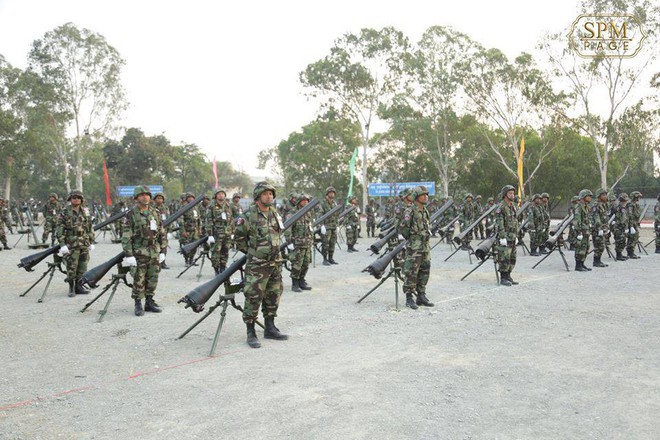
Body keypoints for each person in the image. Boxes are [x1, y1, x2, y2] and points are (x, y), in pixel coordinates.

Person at [234, 181, 287, 348]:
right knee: (253, 297)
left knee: (273, 295)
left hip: (275, 263)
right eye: (265, 193)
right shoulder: (248, 216)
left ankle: (270, 327)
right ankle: (251, 332)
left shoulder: (274, 213)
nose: (269, 196)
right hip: (257, 265)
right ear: (258, 196)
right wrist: (256, 253)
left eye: (271, 193)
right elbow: (240, 240)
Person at [121, 186, 167, 316]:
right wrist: (129, 254)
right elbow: (126, 236)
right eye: (141, 195)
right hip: (139, 251)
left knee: (153, 277)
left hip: (154, 251)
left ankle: (149, 301)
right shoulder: (130, 214)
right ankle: (138, 304)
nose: (145, 197)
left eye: (147, 194)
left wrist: (163, 250)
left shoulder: (155, 212)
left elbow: (162, 232)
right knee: (139, 278)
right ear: (136, 198)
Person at [399, 186, 434, 309]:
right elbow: (403, 228)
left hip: (425, 245)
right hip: (415, 246)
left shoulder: (425, 211)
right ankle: (409, 297)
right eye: (422, 195)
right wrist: (413, 238)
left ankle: (421, 295)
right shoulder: (410, 211)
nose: (425, 197)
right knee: (412, 271)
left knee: (425, 269)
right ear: (416, 197)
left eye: (426, 195)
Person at [56, 190, 94, 297]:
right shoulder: (64, 212)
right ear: (70, 199)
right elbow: (59, 229)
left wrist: (91, 240)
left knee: (83, 266)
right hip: (71, 243)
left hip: (84, 242)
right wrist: (62, 244)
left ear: (82, 199)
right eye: (74, 197)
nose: (76, 199)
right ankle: (71, 288)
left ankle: (79, 286)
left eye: (78, 197)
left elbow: (90, 227)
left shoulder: (86, 211)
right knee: (72, 266)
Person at [284, 193, 314, 292]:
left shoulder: (308, 212)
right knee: (297, 264)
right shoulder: (292, 213)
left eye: (307, 200)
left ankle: (302, 280)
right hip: (297, 244)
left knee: (306, 263)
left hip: (307, 242)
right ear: (299, 201)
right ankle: (295, 283)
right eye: (303, 200)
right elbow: (287, 228)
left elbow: (310, 226)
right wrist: (289, 243)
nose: (305, 202)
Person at [494, 185, 519, 286]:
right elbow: (499, 223)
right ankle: (503, 278)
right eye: (510, 193)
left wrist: (516, 235)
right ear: (505, 195)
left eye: (513, 193)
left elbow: (515, 221)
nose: (512, 195)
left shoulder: (512, 206)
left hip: (512, 236)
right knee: (504, 257)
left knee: (512, 257)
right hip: (505, 237)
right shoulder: (501, 207)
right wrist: (502, 237)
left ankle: (508, 275)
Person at [205, 189, 234, 274]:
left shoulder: (228, 205)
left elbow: (231, 220)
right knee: (216, 253)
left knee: (225, 252)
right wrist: (210, 234)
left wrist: (232, 232)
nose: (221, 195)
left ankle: (223, 268)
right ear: (216, 195)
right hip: (217, 234)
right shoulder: (212, 206)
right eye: (219, 194)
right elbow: (209, 220)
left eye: (222, 194)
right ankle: (216, 269)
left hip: (227, 234)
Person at [573, 189, 593, 272]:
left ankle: (582, 263)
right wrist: (579, 231)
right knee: (579, 248)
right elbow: (577, 219)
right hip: (581, 231)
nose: (590, 198)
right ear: (583, 196)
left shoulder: (585, 206)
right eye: (588, 196)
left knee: (585, 247)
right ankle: (578, 266)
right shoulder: (579, 206)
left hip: (586, 231)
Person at [319, 186, 339, 265]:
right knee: (325, 244)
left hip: (333, 226)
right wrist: (321, 225)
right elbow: (320, 215)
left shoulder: (334, 203)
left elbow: (336, 215)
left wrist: (337, 225)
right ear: (327, 193)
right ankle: (325, 259)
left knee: (332, 243)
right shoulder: (323, 203)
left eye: (333, 193)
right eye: (330, 192)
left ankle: (331, 258)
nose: (332, 194)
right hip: (326, 227)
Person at [179, 193, 201, 266]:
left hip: (195, 231)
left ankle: (191, 260)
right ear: (186, 199)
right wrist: (183, 231)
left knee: (195, 246)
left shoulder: (196, 208)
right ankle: (186, 261)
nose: (191, 199)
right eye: (189, 197)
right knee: (187, 246)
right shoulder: (183, 207)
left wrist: (199, 229)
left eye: (192, 197)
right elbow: (180, 220)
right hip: (187, 231)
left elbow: (198, 220)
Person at [590, 188, 610, 268]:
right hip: (598, 229)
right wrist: (599, 228)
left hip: (603, 228)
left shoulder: (603, 204)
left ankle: (598, 260)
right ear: (599, 196)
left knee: (602, 245)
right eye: (603, 195)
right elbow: (596, 217)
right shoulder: (596, 205)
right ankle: (596, 261)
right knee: (599, 245)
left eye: (605, 195)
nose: (605, 196)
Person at [152, 192, 171, 269]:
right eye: (158, 198)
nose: (160, 200)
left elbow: (169, 218)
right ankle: (155, 262)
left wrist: (170, 230)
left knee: (164, 246)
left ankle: (163, 262)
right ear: (155, 199)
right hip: (154, 230)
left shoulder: (166, 208)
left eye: (161, 198)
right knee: (155, 247)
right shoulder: (152, 208)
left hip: (164, 230)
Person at [626, 191, 642, 259]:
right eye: (638, 197)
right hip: (631, 224)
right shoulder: (630, 204)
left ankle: (632, 251)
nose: (639, 198)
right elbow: (630, 216)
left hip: (635, 223)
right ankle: (630, 252)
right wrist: (631, 226)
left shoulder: (636, 205)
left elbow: (637, 215)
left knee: (635, 237)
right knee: (631, 238)